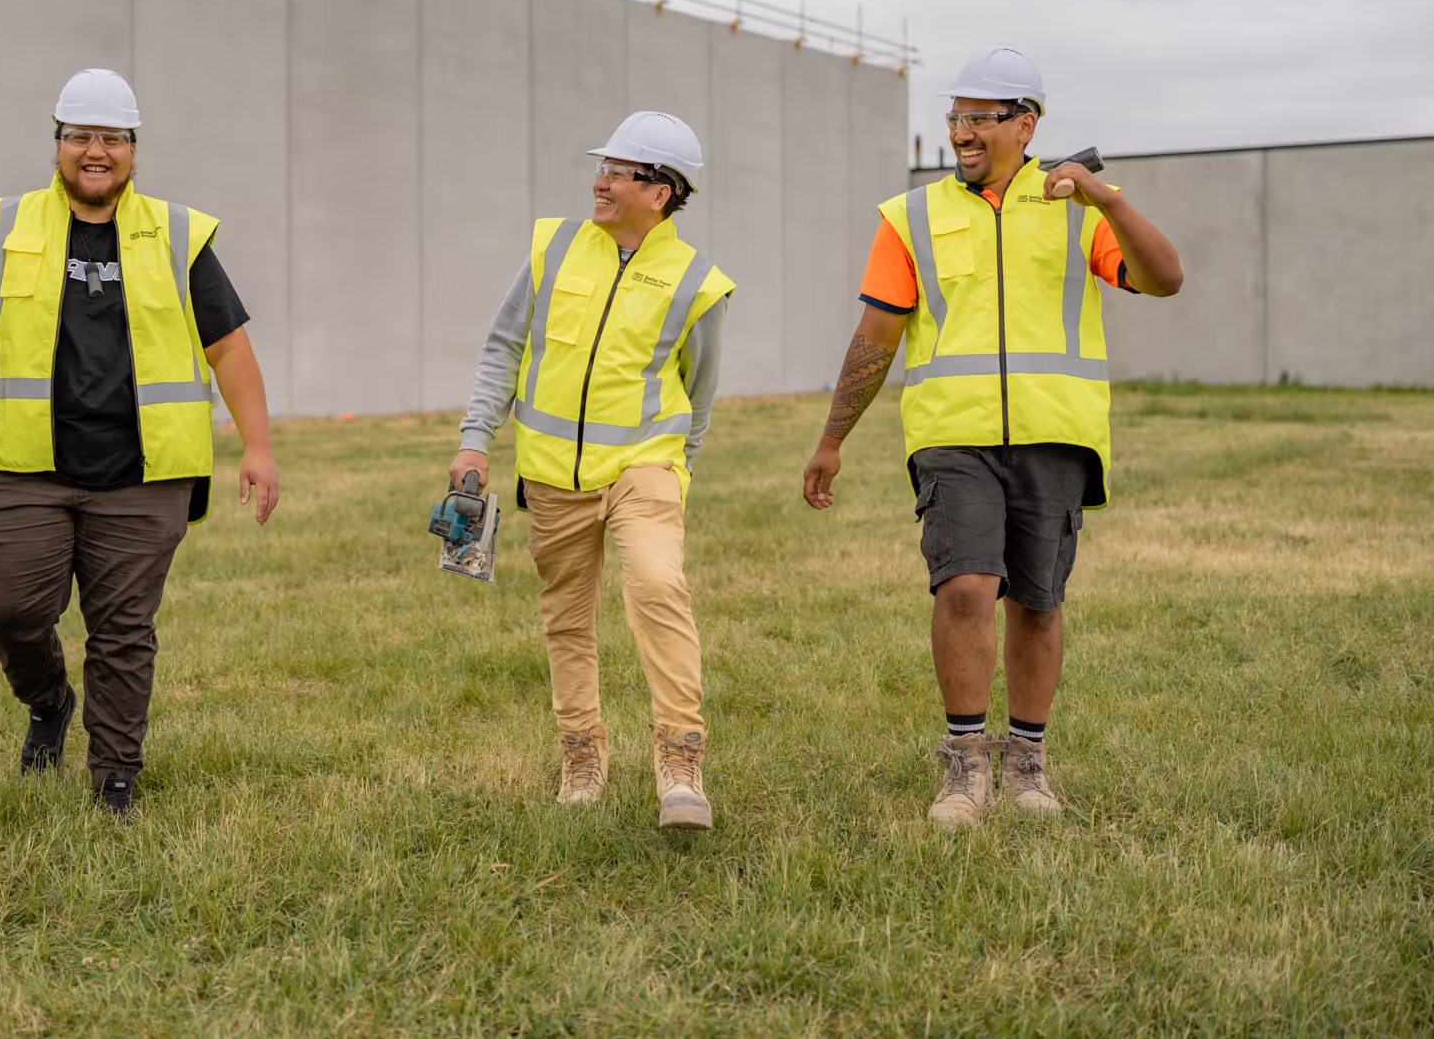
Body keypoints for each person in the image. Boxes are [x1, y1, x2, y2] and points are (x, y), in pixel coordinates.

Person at [801, 46, 1184, 828]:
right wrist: (832, 437)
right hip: (953, 436)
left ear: (1026, 123)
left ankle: (1029, 765)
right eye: (955, 118)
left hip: (1056, 434)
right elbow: (876, 333)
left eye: (979, 118)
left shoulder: (1079, 209)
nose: (962, 133)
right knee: (968, 587)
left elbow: (1167, 276)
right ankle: (964, 766)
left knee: (1038, 603)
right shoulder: (911, 217)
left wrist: (1107, 202)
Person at [0, 68, 279, 815]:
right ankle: (49, 700)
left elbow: (231, 348)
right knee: (8, 608)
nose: (95, 151)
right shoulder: (5, 229)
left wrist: (259, 446)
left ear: (134, 151)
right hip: (23, 469)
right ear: (57, 145)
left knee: (123, 629)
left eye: (111, 138)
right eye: (80, 135)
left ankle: (115, 774)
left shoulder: (179, 235)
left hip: (143, 474)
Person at [451, 112, 733, 831]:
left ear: (660, 192)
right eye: (603, 166)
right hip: (550, 475)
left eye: (618, 170)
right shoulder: (553, 248)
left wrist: (676, 473)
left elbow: (699, 394)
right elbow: (503, 345)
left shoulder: (696, 282)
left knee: (658, 584)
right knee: (567, 619)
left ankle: (681, 762)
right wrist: (476, 439)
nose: (600, 181)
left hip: (645, 468)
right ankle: (582, 755)